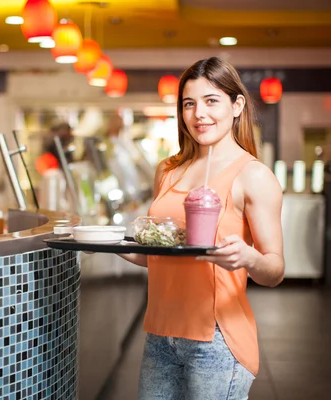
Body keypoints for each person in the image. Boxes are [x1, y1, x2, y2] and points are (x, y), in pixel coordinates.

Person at [120, 57, 285, 399]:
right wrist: (106, 243)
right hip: (160, 335)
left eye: (212, 101)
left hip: (216, 340)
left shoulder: (253, 176)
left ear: (237, 105)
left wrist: (248, 257)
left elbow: (274, 270)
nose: (199, 114)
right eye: (189, 104)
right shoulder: (168, 170)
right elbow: (162, 256)